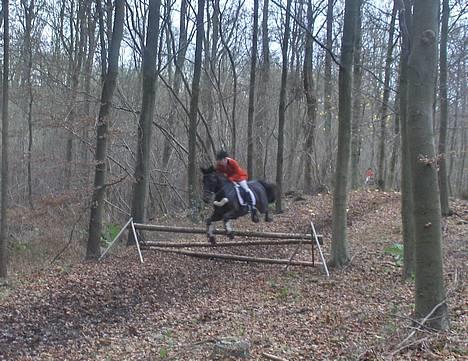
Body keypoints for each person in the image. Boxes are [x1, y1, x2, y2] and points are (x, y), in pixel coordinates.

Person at [215, 150, 259, 222]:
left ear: (225, 159)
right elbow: (218, 174)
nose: (219, 162)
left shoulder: (233, 162)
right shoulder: (219, 165)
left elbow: (237, 173)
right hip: (229, 179)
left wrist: (231, 179)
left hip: (240, 177)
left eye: (220, 160)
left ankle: (251, 206)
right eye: (218, 160)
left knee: (245, 189)